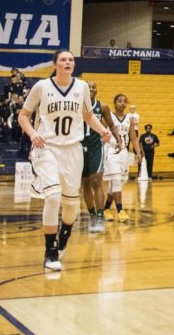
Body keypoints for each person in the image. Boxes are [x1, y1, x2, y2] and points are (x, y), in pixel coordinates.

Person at [18, 49, 112, 271]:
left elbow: (88, 116)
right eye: (63, 60)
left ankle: (64, 236)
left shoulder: (81, 88)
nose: (68, 62)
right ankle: (50, 252)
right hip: (47, 147)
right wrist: (32, 133)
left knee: (71, 206)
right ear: (55, 65)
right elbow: (23, 115)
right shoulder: (41, 87)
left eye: (70, 60)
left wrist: (102, 132)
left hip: (73, 149)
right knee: (52, 197)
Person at [81, 81, 122, 233]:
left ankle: (100, 217)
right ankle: (93, 216)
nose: (91, 89)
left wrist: (118, 140)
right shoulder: (76, 105)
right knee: (85, 184)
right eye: (88, 87)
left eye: (94, 87)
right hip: (78, 147)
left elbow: (111, 125)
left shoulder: (102, 107)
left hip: (96, 146)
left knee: (96, 181)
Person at [103, 94, 140, 222]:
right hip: (111, 150)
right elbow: (100, 133)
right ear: (115, 103)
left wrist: (138, 153)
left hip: (123, 152)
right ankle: (120, 210)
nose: (122, 103)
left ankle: (105, 209)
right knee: (116, 180)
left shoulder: (129, 119)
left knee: (116, 183)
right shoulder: (109, 117)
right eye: (119, 101)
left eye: (125, 101)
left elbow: (134, 138)